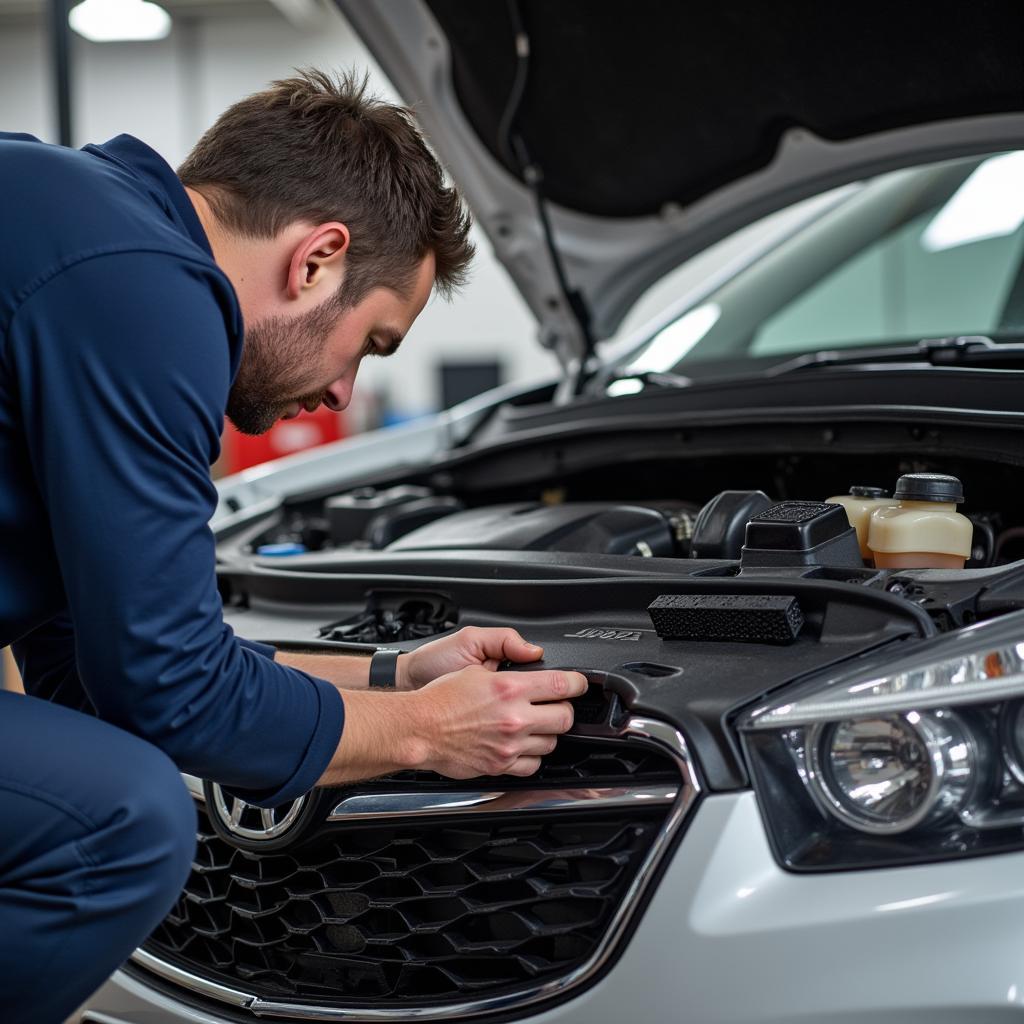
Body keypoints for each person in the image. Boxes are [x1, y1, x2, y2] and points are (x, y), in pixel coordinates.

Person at [0, 70, 587, 1023]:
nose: (345, 394)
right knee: (123, 821)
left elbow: (90, 671)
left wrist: (394, 676)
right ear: (316, 259)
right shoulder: (145, 291)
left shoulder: (72, 217)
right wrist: (431, 732)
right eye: (369, 345)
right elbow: (170, 688)